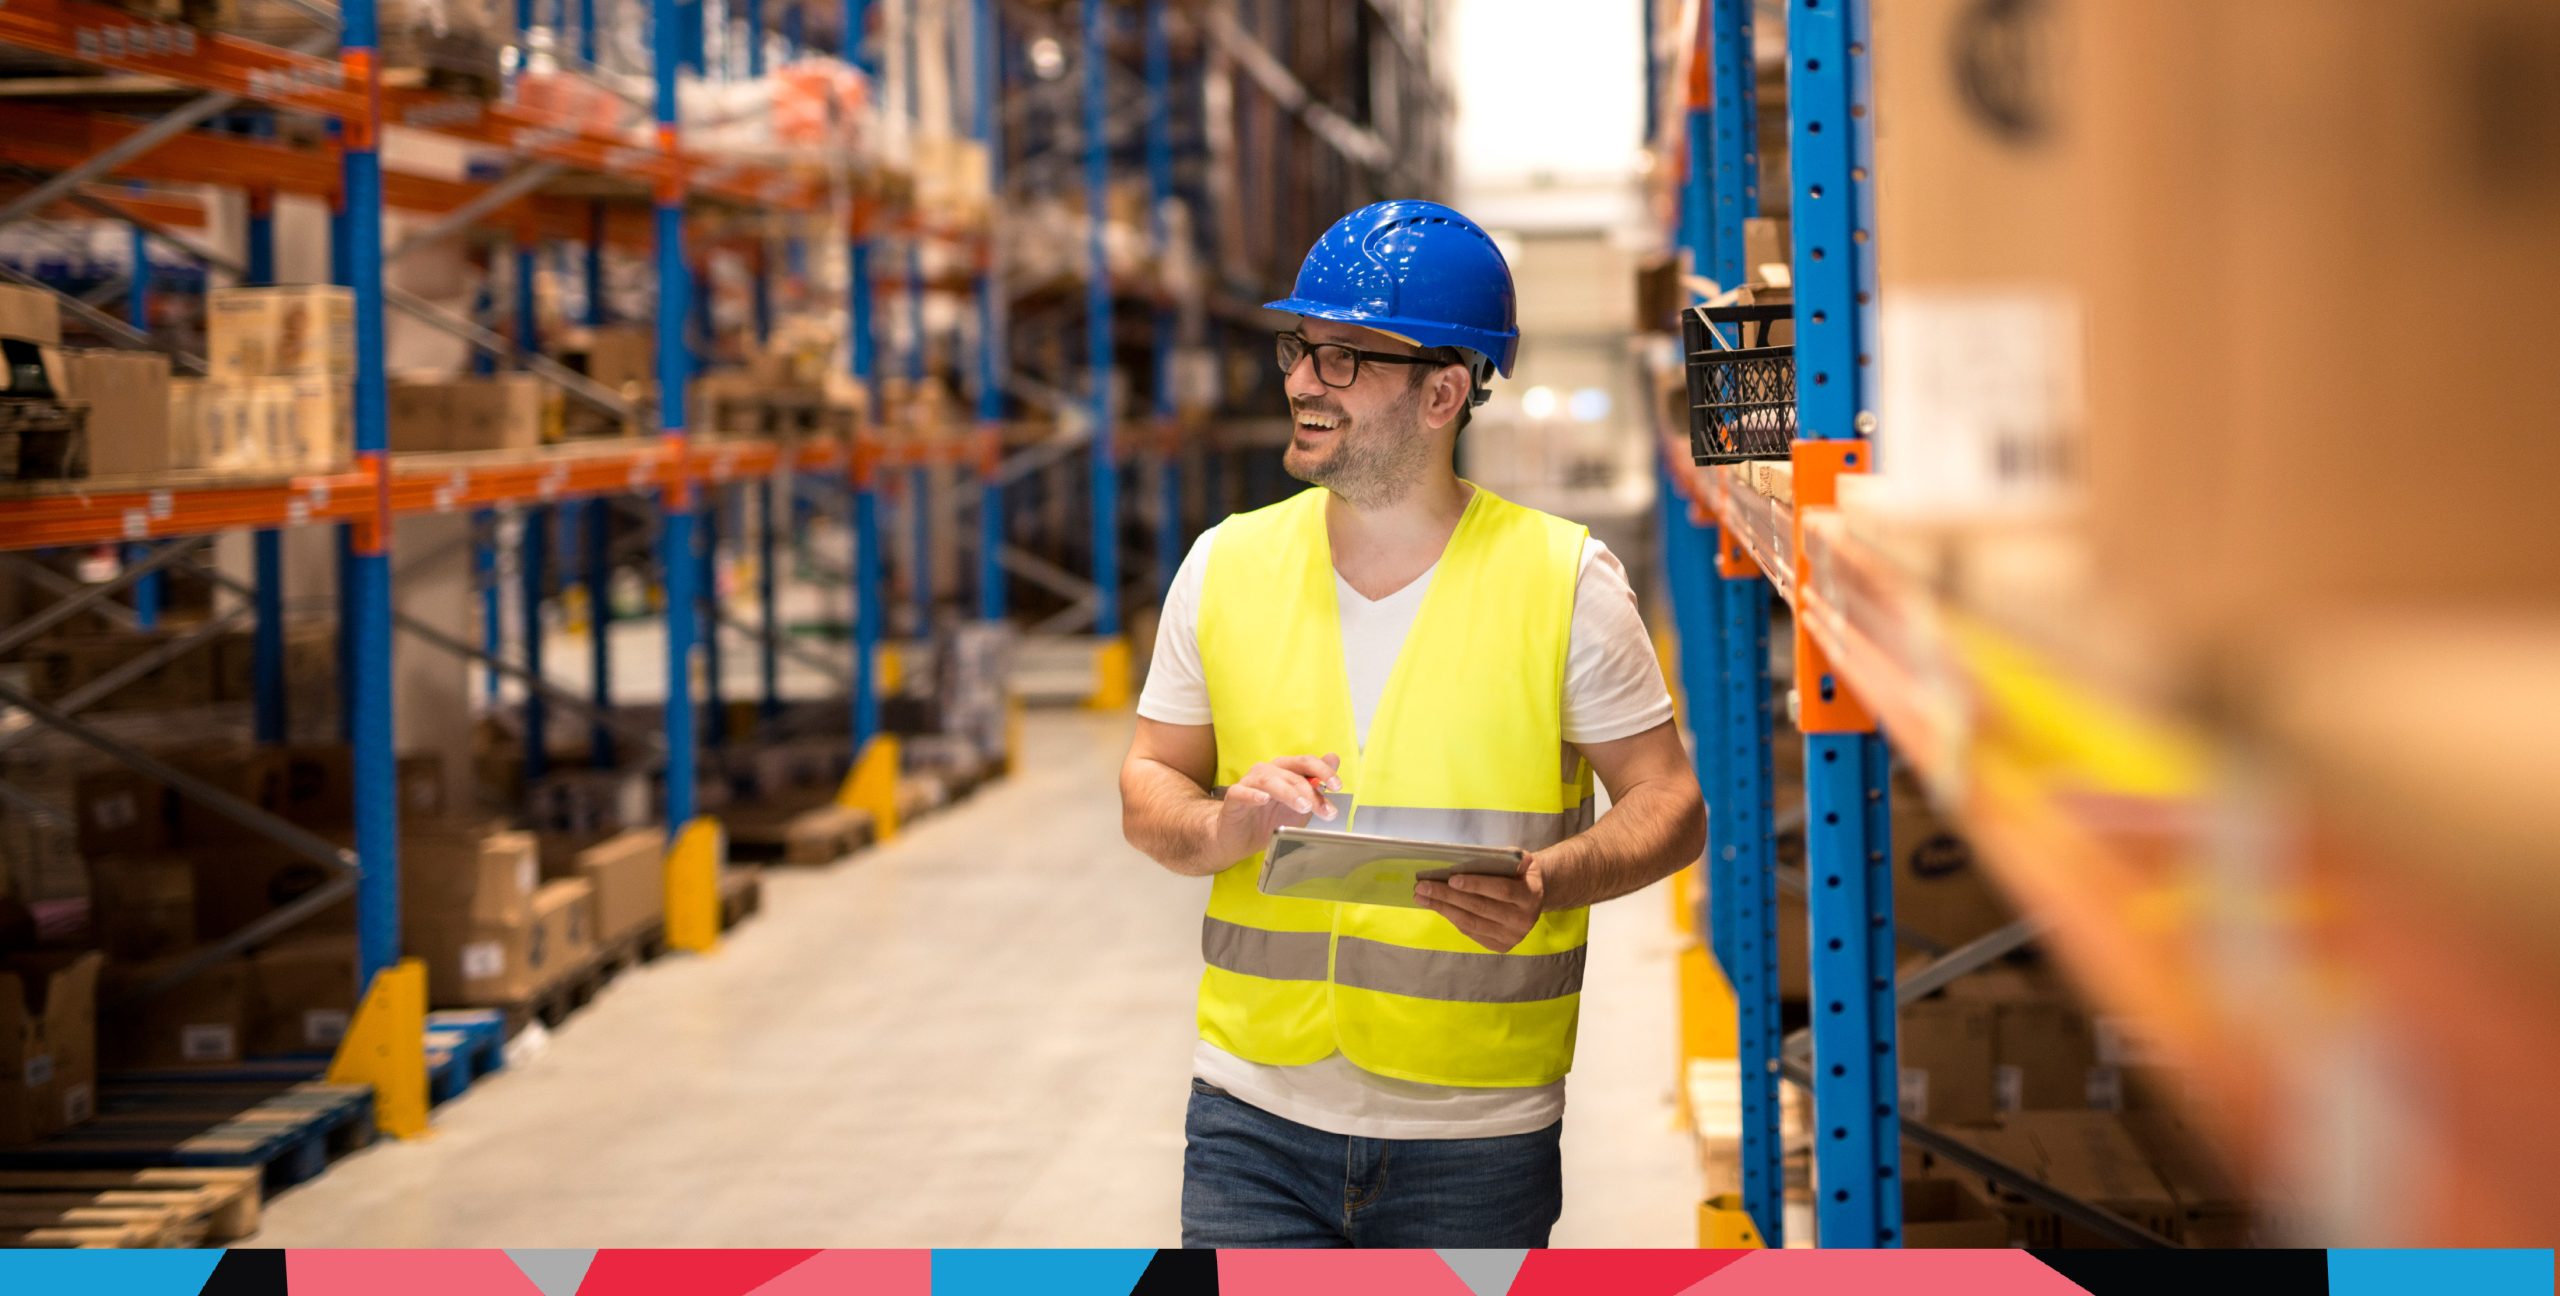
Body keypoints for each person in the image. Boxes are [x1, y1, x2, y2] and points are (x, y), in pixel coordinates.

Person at [1117, 199, 1706, 1248]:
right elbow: (1149, 779)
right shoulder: (1226, 565)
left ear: (1443, 391)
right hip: (1251, 1113)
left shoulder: (1564, 582)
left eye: (1346, 358)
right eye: (1301, 347)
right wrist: (1217, 827)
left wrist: (1550, 881)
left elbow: (1669, 805)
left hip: (1474, 1136)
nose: (1301, 379)